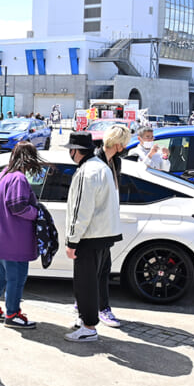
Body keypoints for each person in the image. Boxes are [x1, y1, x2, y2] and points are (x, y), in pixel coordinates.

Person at [63, 126, 130, 343]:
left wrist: (72, 239)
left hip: (89, 237)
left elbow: (81, 209)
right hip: (104, 234)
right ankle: (86, 321)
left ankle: (89, 326)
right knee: (92, 281)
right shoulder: (101, 167)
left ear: (75, 151)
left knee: (85, 283)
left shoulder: (87, 171)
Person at [0, 143, 45, 329]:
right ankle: (12, 314)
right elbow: (18, 207)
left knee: (2, 272)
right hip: (14, 240)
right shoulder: (19, 179)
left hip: (2, 237)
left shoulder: (5, 173)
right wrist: (36, 212)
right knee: (17, 278)